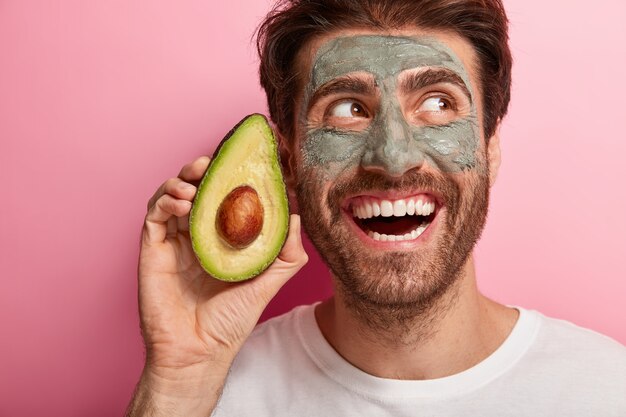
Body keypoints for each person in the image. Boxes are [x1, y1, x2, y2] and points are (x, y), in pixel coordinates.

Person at [126, 0, 626, 415]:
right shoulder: (206, 392)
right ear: (289, 164)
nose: (393, 159)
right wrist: (179, 379)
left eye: (437, 103)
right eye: (347, 110)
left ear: (488, 152)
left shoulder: (607, 391)